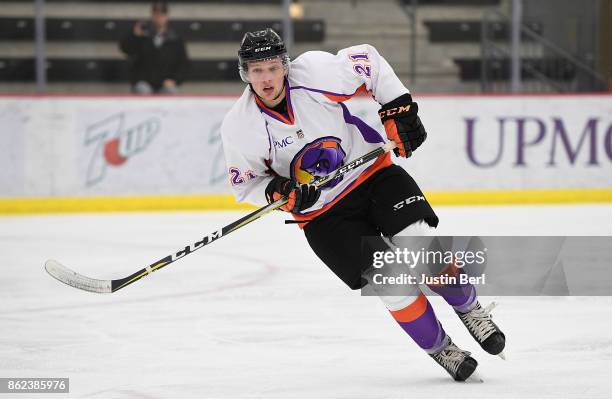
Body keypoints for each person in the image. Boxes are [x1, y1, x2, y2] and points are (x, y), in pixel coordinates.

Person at [221, 28, 506, 381]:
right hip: (324, 217)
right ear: (244, 74)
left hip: (372, 175)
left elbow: (368, 60)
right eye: (256, 70)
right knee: (390, 282)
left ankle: (470, 308)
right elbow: (247, 184)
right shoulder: (239, 125)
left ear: (285, 66)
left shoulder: (313, 74)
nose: (266, 78)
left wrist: (398, 107)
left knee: (421, 244)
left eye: (272, 67)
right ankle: (440, 348)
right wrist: (280, 191)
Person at [119, 1, 189, 94]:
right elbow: (125, 49)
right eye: (156, 14)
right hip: (144, 82)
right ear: (152, 15)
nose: (159, 17)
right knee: (143, 90)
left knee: (172, 91)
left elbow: (183, 64)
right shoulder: (141, 35)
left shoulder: (176, 39)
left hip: (166, 83)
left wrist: (174, 80)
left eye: (162, 14)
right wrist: (134, 36)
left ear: (167, 16)